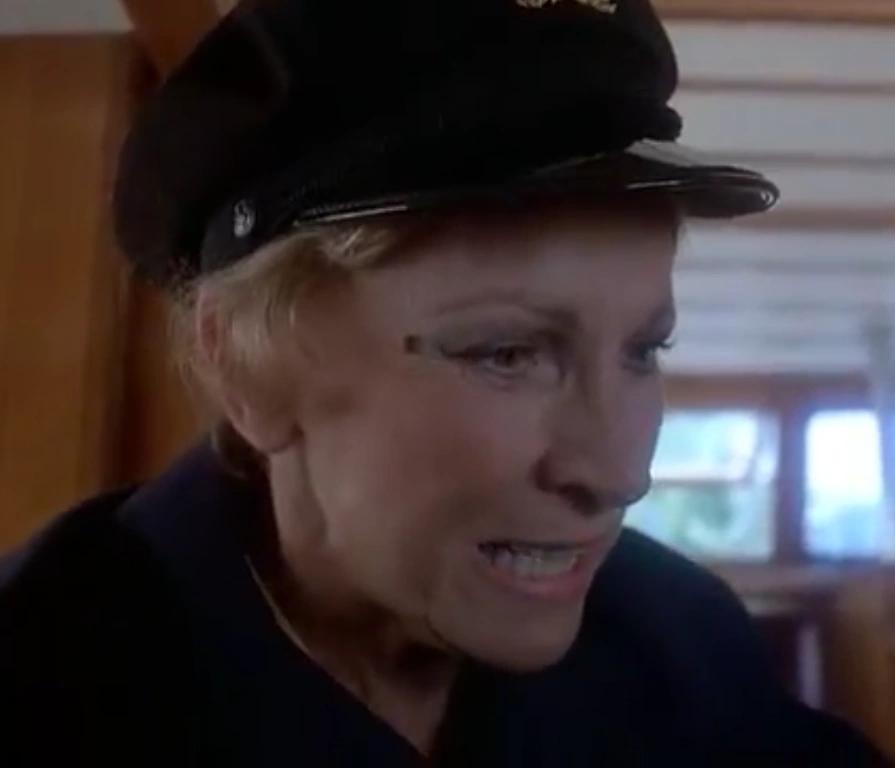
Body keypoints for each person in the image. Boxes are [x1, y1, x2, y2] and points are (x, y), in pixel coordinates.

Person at [0, 0, 890, 765]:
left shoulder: (678, 641)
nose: (619, 473)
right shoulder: (44, 687)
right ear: (246, 363)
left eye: (641, 350)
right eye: (506, 354)